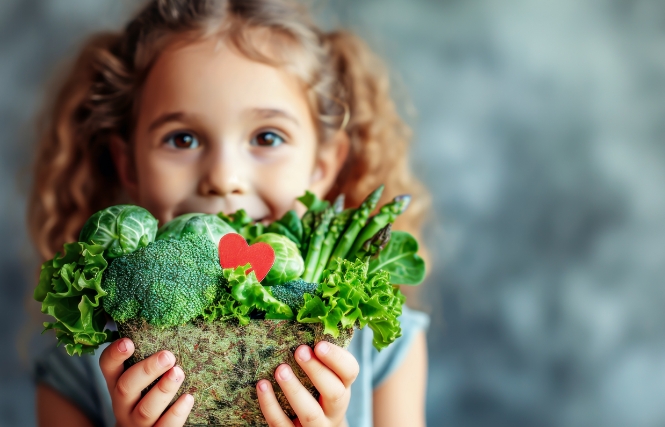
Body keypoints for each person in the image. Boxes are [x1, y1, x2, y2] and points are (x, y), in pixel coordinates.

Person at [28, 1, 430, 426]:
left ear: (322, 167)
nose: (223, 177)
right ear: (128, 164)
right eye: (182, 139)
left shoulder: (381, 349)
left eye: (267, 137)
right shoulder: (79, 365)